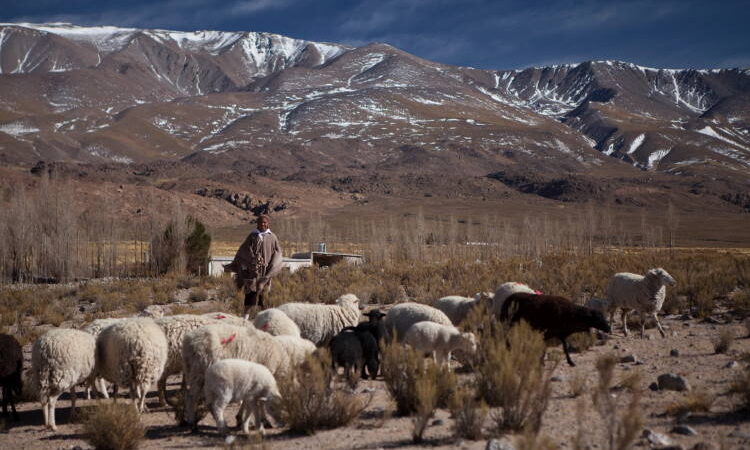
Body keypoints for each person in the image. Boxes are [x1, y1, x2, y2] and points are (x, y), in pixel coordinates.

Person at [224, 214, 283, 319]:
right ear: (257, 223)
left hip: (265, 273)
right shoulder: (252, 236)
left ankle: (265, 321)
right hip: (252, 273)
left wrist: (272, 266)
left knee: (263, 298)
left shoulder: (272, 237)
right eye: (260, 222)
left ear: (268, 223)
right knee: (249, 298)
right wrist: (252, 259)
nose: (263, 224)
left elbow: (278, 253)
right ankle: (245, 320)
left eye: (265, 222)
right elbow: (244, 250)